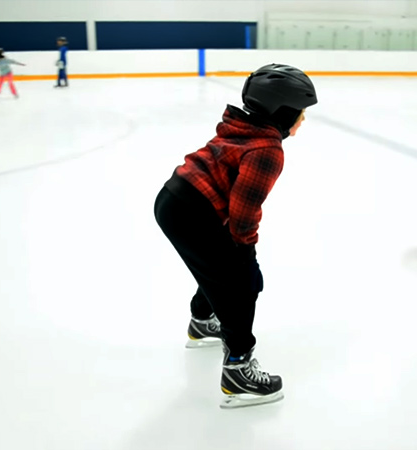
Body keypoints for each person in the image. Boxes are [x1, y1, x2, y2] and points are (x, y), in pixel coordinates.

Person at [153, 64, 317, 409]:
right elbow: (244, 212)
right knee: (242, 282)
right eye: (301, 113)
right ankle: (238, 371)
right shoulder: (267, 149)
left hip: (175, 199)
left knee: (216, 269)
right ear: (282, 111)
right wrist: (247, 256)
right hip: (191, 212)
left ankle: (202, 323)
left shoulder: (244, 125)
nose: (303, 120)